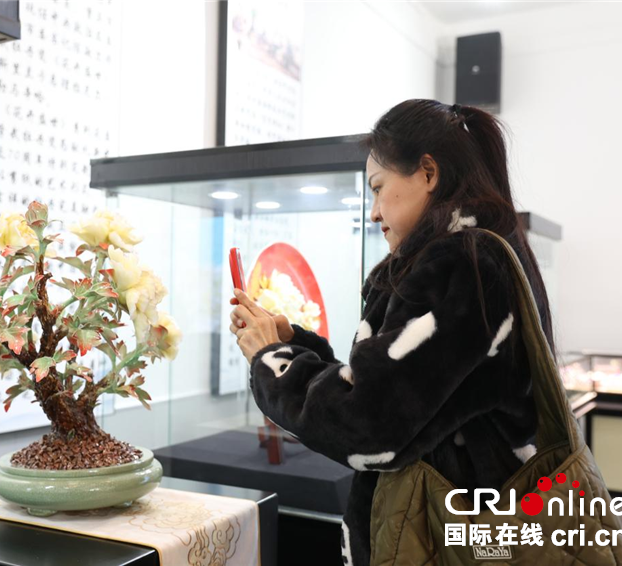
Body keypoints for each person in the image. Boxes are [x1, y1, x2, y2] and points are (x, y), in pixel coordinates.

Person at [228, 99, 555, 565]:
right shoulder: (480, 255)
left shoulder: (461, 264)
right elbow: (393, 390)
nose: (374, 212)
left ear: (428, 173)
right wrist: (291, 344)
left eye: (378, 188)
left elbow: (366, 423)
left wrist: (272, 361)